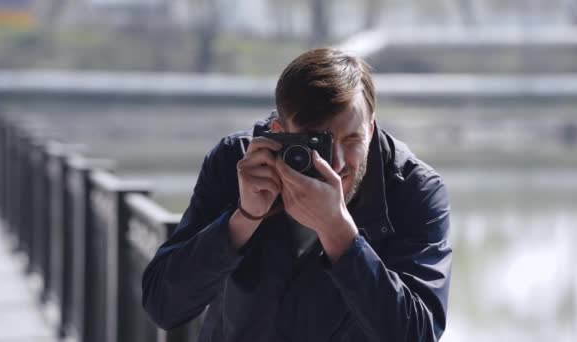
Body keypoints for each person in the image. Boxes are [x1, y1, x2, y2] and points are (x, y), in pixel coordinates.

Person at [142, 48, 452, 341]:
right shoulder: (237, 161)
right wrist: (243, 220)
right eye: (320, 142)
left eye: (353, 139)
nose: (338, 163)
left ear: (371, 129)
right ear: (280, 130)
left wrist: (340, 235)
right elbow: (163, 306)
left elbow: (419, 335)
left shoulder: (414, 190)